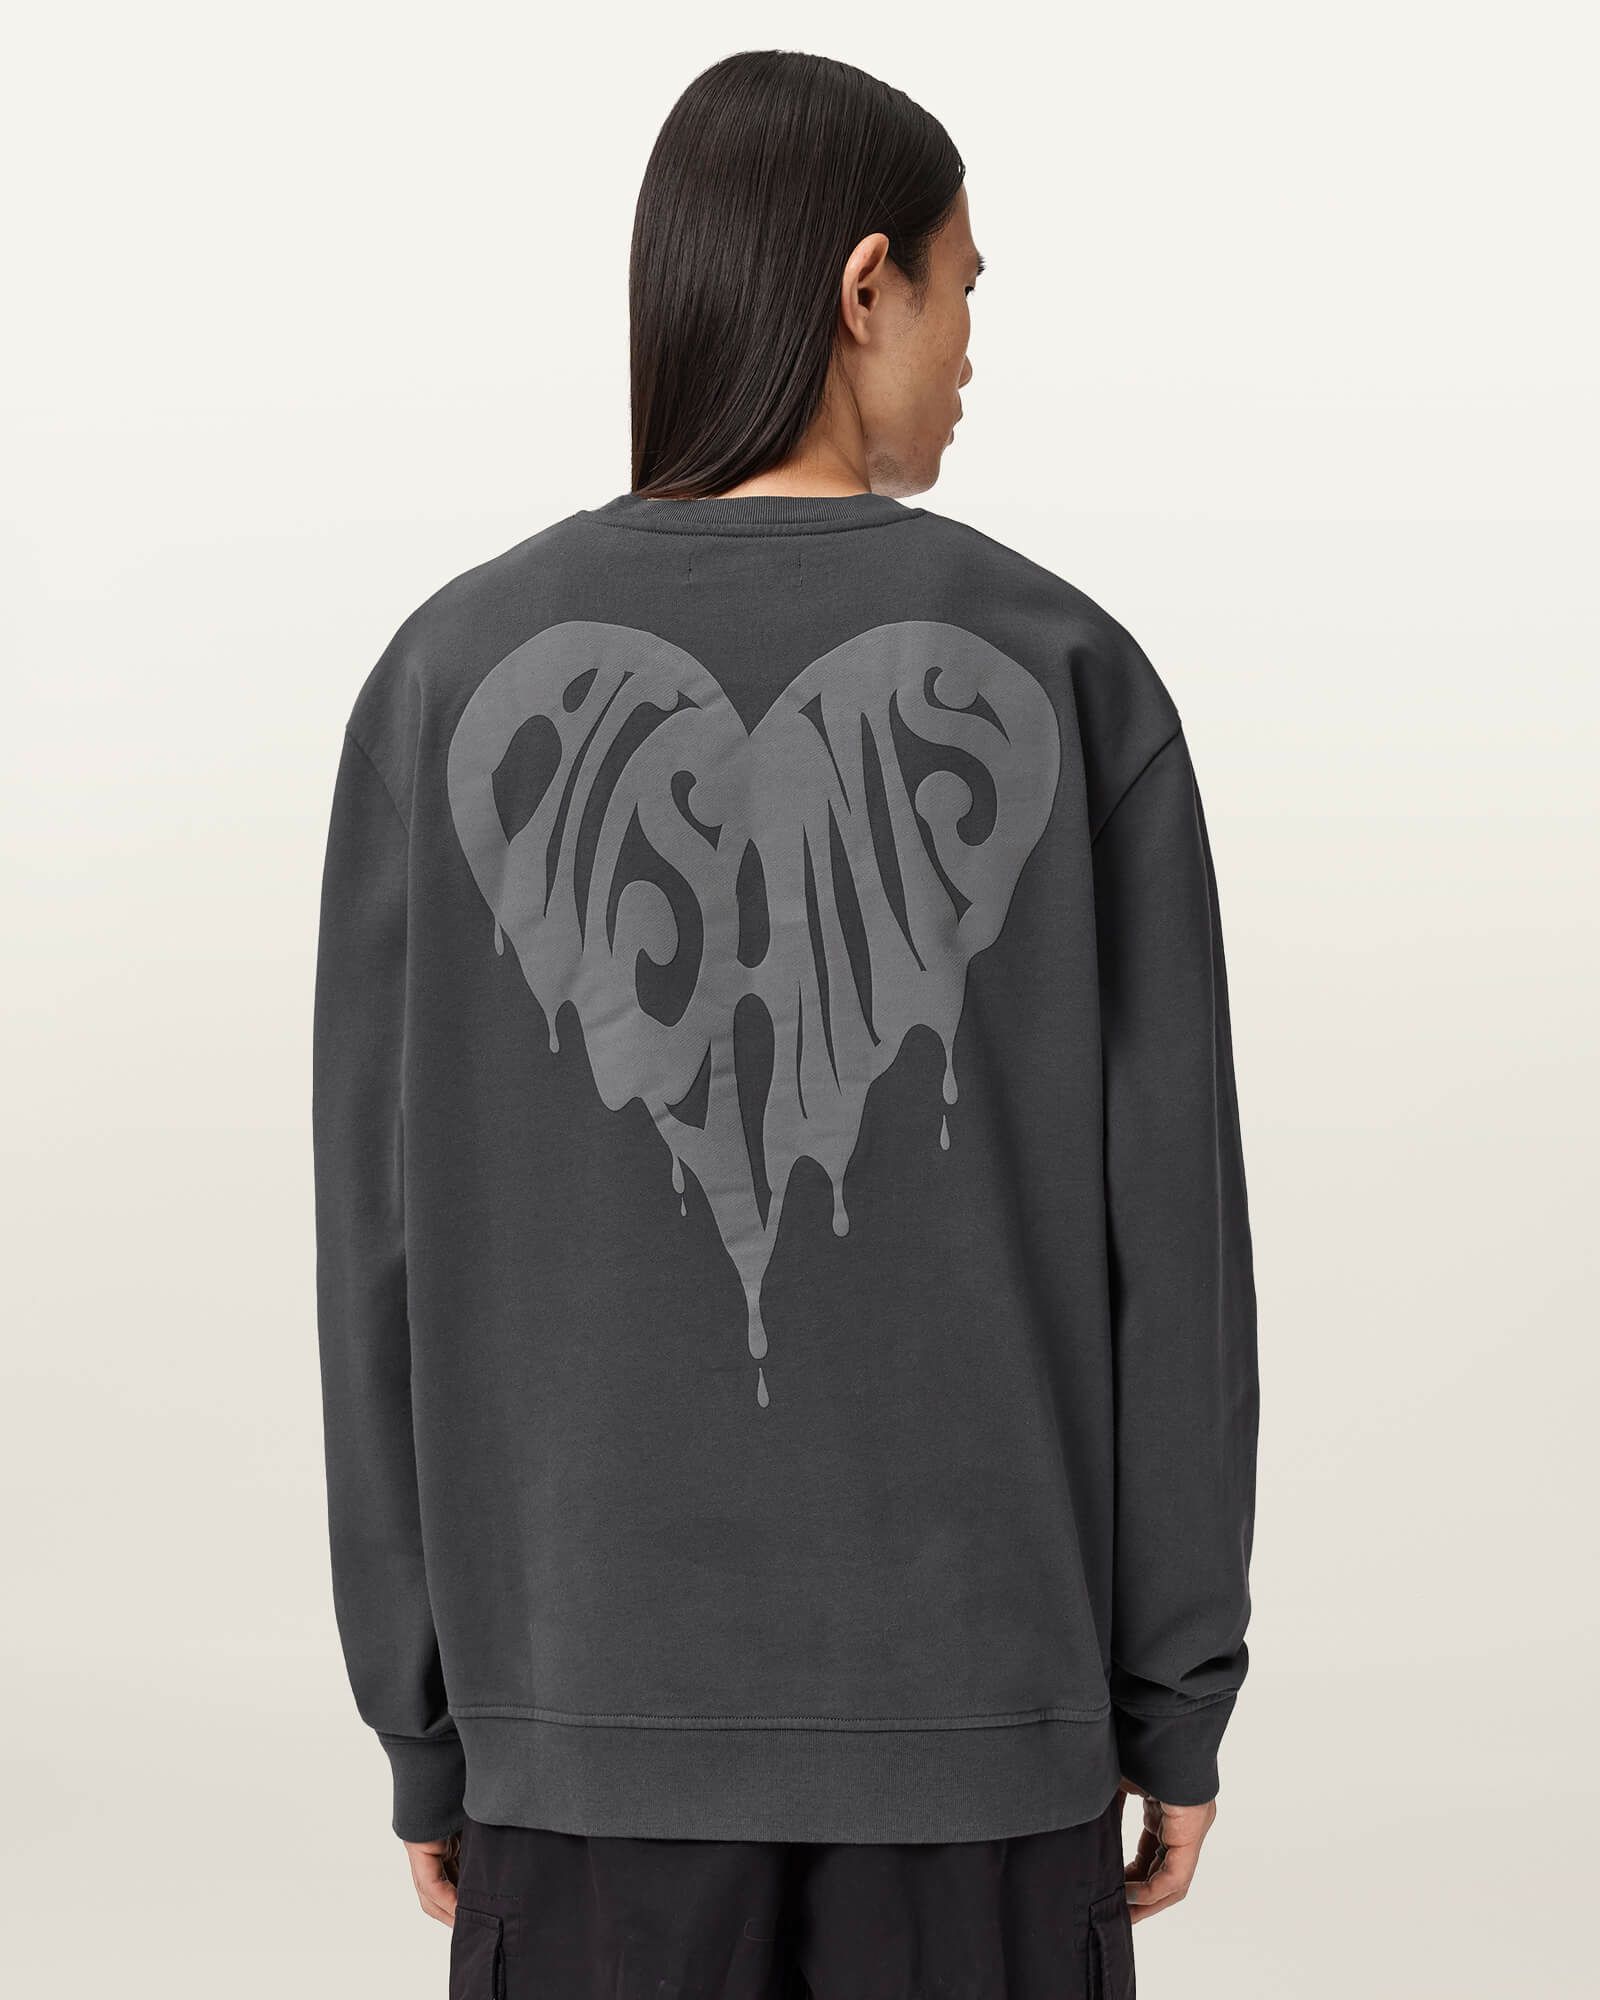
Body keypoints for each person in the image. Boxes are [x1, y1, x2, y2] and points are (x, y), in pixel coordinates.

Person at [312, 48, 1259, 2000]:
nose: (974, 348)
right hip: (984, 1746)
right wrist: (1172, 1697)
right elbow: (1171, 1247)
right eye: (965, 287)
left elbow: (377, 1252)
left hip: (578, 1745)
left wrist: (428, 1716)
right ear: (862, 286)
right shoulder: (1068, 671)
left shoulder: (445, 678)